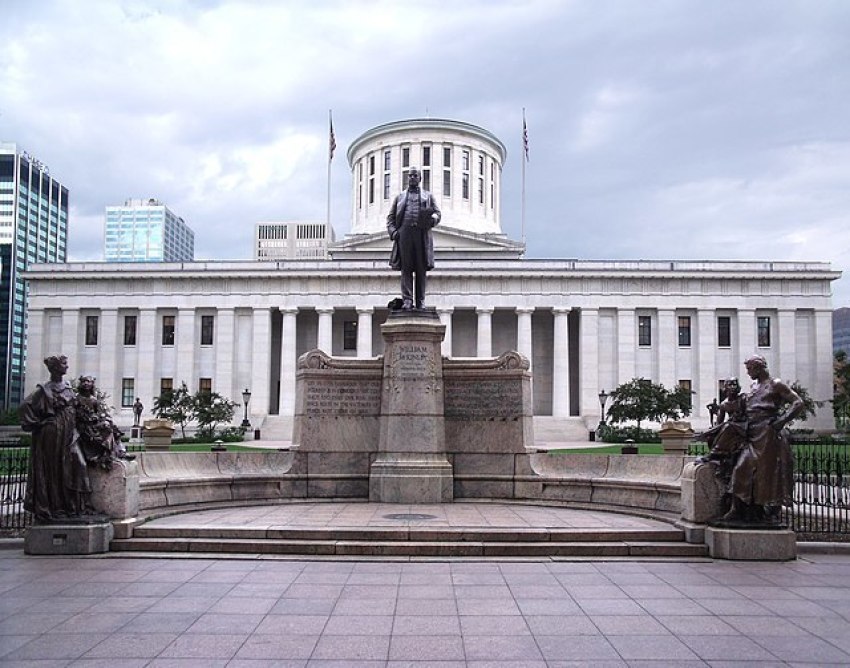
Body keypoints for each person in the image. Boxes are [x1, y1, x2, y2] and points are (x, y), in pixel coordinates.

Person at [723, 355, 803, 522]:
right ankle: (737, 509)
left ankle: (764, 511)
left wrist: (782, 421)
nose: (748, 373)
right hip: (752, 432)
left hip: (767, 435)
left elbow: (798, 402)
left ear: (758, 368)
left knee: (766, 474)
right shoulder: (754, 386)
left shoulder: (776, 384)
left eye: (749, 369)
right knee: (741, 468)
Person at [19, 355, 95, 523]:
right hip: (52, 433)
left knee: (77, 464)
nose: (67, 367)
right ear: (54, 368)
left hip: (70, 433)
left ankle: (74, 506)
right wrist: (39, 423)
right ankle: (57, 508)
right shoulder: (45, 389)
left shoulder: (68, 387)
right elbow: (25, 406)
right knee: (54, 469)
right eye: (64, 364)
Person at [386, 167, 441, 310]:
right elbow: (391, 218)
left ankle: (420, 301)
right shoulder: (400, 197)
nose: (412, 178)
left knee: (421, 269)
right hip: (404, 235)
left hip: (421, 234)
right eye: (410, 175)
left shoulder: (428, 196)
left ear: (420, 178)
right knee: (406, 268)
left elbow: (437, 213)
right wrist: (393, 233)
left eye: (415, 175)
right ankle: (408, 300)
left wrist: (432, 219)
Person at [75, 375, 133, 464]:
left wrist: (98, 417)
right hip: (84, 427)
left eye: (88, 381)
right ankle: (116, 452)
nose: (86, 384)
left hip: (93, 425)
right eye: (84, 381)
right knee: (107, 427)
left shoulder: (94, 400)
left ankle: (119, 451)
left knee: (109, 425)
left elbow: (100, 413)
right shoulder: (77, 399)